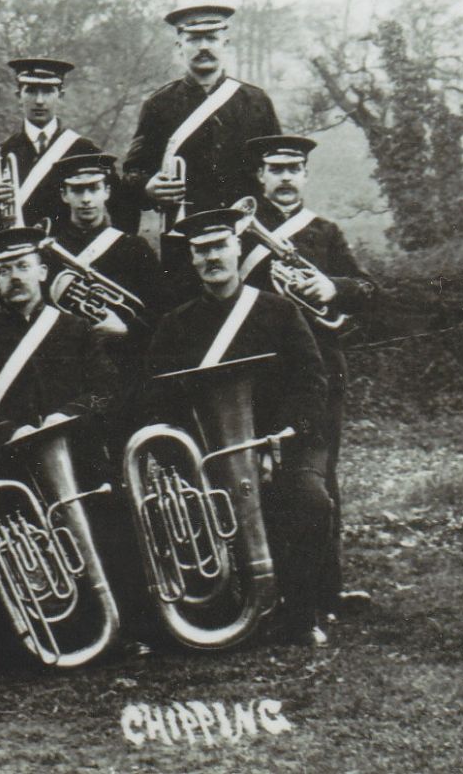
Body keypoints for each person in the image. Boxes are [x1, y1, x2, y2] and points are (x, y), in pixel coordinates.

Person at [144, 207, 332, 647]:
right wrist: (185, 456)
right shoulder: (175, 324)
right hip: (207, 451)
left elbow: (311, 382)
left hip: (280, 442)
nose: (212, 257)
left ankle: (299, 613)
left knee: (310, 501)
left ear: (238, 249)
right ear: (192, 259)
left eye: (220, 246)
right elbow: (155, 396)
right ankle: (224, 605)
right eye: (202, 250)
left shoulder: (279, 311)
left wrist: (279, 440)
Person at [0, 229, 121, 675]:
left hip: (73, 452)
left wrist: (68, 415)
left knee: (105, 515)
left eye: (23, 267)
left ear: (43, 272)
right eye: (4, 270)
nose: (15, 277)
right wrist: (4, 431)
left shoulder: (76, 330)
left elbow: (106, 389)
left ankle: (117, 627)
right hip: (4, 456)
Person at [239, 134, 377, 620]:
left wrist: (330, 286)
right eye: (275, 169)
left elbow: (367, 289)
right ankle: (268, 585)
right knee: (259, 478)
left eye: (293, 169)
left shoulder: (325, 231)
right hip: (258, 372)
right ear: (260, 176)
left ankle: (325, 589)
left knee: (321, 478)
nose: (285, 178)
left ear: (305, 175)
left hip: (318, 371)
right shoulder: (239, 234)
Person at [121, 5, 281, 301]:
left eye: (211, 37)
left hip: (249, 239)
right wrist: (149, 187)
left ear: (225, 43)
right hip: (185, 245)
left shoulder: (255, 101)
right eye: (194, 39)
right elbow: (132, 172)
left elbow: (278, 169)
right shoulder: (159, 105)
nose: (204, 47)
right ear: (179, 46)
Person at [39, 153, 165, 377]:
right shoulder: (49, 253)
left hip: (124, 363)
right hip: (68, 367)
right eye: (77, 191)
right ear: (64, 195)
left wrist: (127, 329)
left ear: (107, 191)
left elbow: (162, 309)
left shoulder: (134, 247)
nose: (86, 199)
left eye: (94, 189)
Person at [0, 58, 103, 234]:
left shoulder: (85, 150)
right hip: (20, 249)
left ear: (60, 96)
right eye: (30, 91)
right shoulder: (3, 153)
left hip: (71, 248)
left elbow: (116, 211)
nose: (39, 100)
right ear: (18, 96)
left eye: (48, 91)